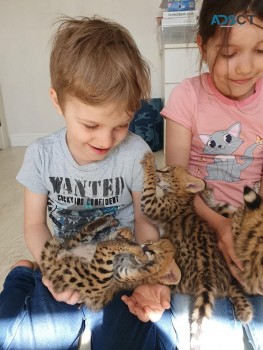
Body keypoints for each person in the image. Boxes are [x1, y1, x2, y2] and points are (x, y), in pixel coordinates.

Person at [0, 16, 177, 350]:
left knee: (140, 338)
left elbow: (145, 220)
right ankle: (24, 274)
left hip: (120, 270)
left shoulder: (136, 153)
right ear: (57, 101)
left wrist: (148, 275)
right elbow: (35, 225)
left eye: (122, 124)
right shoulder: (41, 156)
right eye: (91, 124)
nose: (106, 139)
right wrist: (51, 269)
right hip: (67, 263)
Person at [160, 0, 263, 349]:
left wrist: (248, 233)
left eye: (261, 50)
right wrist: (219, 227)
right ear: (202, 46)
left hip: (249, 225)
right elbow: (176, 184)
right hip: (197, 226)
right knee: (203, 333)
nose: (245, 67)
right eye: (229, 53)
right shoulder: (186, 96)